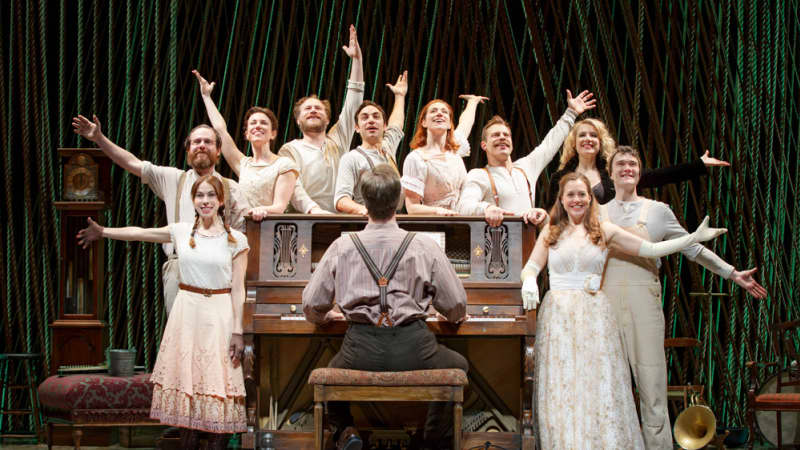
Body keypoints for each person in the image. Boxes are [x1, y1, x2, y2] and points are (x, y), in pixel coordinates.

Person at [519, 172, 726, 449]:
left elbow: (651, 249)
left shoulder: (604, 230)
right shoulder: (552, 230)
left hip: (594, 315)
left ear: (590, 198)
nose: (577, 199)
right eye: (571, 195)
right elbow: (532, 265)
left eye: (582, 194)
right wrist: (530, 279)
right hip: (558, 317)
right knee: (563, 385)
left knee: (599, 385)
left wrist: (691, 239)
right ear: (562, 199)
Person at [600, 145, 767, 449]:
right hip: (604, 302)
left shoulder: (658, 211)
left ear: (640, 172)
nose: (627, 168)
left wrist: (731, 273)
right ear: (610, 173)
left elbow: (693, 249)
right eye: (620, 164)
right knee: (608, 386)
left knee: (651, 384)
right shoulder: (596, 213)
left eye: (633, 164)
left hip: (644, 298)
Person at [76, 175, 249, 449]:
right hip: (187, 311)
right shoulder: (182, 231)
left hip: (219, 315)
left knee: (218, 386)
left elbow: (238, 289)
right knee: (187, 388)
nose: (205, 201)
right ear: (193, 201)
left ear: (221, 201)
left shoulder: (236, 240)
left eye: (211, 196)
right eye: (200, 196)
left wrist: (238, 331)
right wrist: (104, 231)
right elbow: (140, 233)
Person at [303, 165, 468, 450]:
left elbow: (310, 304)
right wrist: (447, 314)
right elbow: (456, 305)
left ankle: (347, 432)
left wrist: (323, 314)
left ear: (364, 203)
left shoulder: (342, 246)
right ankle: (429, 438)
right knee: (459, 364)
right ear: (399, 199)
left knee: (330, 370)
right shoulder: (424, 245)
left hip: (359, 350)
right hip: (415, 349)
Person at [72, 115, 246, 314]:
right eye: (196, 142)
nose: (201, 145)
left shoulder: (231, 188)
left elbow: (244, 233)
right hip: (180, 267)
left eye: (208, 142)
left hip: (219, 270)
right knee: (180, 333)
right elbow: (132, 163)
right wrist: (99, 139)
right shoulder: (173, 178)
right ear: (188, 149)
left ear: (218, 151)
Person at [193, 69, 326, 217]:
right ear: (247, 134)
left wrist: (261, 210)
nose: (258, 126)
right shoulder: (243, 164)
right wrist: (206, 97)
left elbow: (280, 207)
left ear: (273, 133)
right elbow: (220, 130)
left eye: (263, 123)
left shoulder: (284, 165)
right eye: (253, 123)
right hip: (243, 228)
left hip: (268, 229)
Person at [458, 90, 596, 226]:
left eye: (506, 135)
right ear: (484, 145)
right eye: (495, 135)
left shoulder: (526, 167)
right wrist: (486, 208)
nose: (502, 137)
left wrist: (571, 113)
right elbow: (464, 206)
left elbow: (550, 144)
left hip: (528, 243)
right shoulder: (478, 175)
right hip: (496, 245)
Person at [545, 118, 731, 207]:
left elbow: (656, 177)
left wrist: (698, 164)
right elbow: (552, 216)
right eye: (582, 135)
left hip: (610, 247)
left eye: (594, 135)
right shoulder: (559, 179)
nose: (588, 139)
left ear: (600, 142)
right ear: (574, 143)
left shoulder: (614, 174)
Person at [278, 24, 364, 212]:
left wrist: (357, 61)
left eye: (318, 108)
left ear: (327, 119)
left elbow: (354, 102)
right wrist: (314, 212)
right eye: (307, 109)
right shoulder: (289, 150)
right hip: (305, 221)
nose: (313, 111)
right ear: (298, 121)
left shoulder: (338, 140)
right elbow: (294, 189)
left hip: (340, 220)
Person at [334, 71, 408, 215]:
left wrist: (399, 96)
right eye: (365, 117)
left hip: (393, 220)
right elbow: (341, 200)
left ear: (384, 125)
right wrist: (364, 211)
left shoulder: (387, 148)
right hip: (368, 221)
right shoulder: (351, 158)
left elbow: (397, 124)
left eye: (376, 116)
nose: (371, 120)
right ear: (357, 127)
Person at [401, 95, 488, 215]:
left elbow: (465, 124)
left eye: (444, 112)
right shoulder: (416, 158)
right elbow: (412, 208)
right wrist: (438, 211)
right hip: (436, 224)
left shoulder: (454, 149)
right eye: (433, 111)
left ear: (449, 124)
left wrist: (473, 102)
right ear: (424, 122)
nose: (439, 114)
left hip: (463, 219)